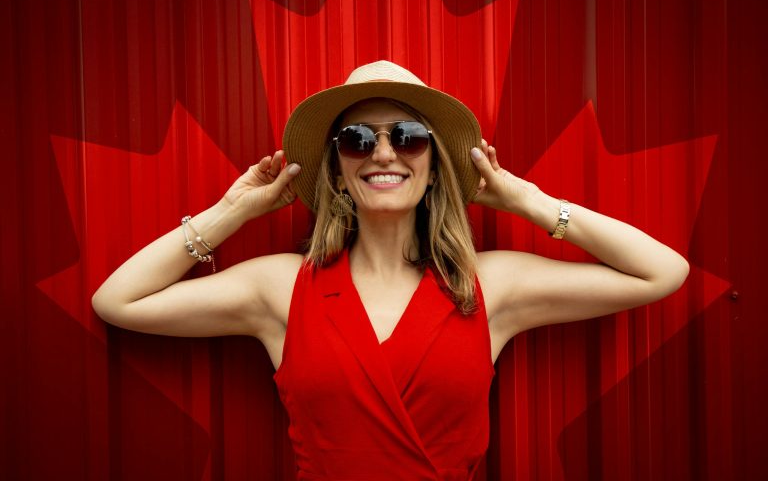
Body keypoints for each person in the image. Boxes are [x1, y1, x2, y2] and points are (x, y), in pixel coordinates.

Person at [92, 60, 689, 480]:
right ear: (336, 168)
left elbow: (661, 272)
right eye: (357, 139)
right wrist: (231, 213)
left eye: (407, 136)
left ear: (433, 164)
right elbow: (119, 302)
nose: (383, 153)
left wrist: (528, 201)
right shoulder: (281, 287)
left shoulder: (490, 286)